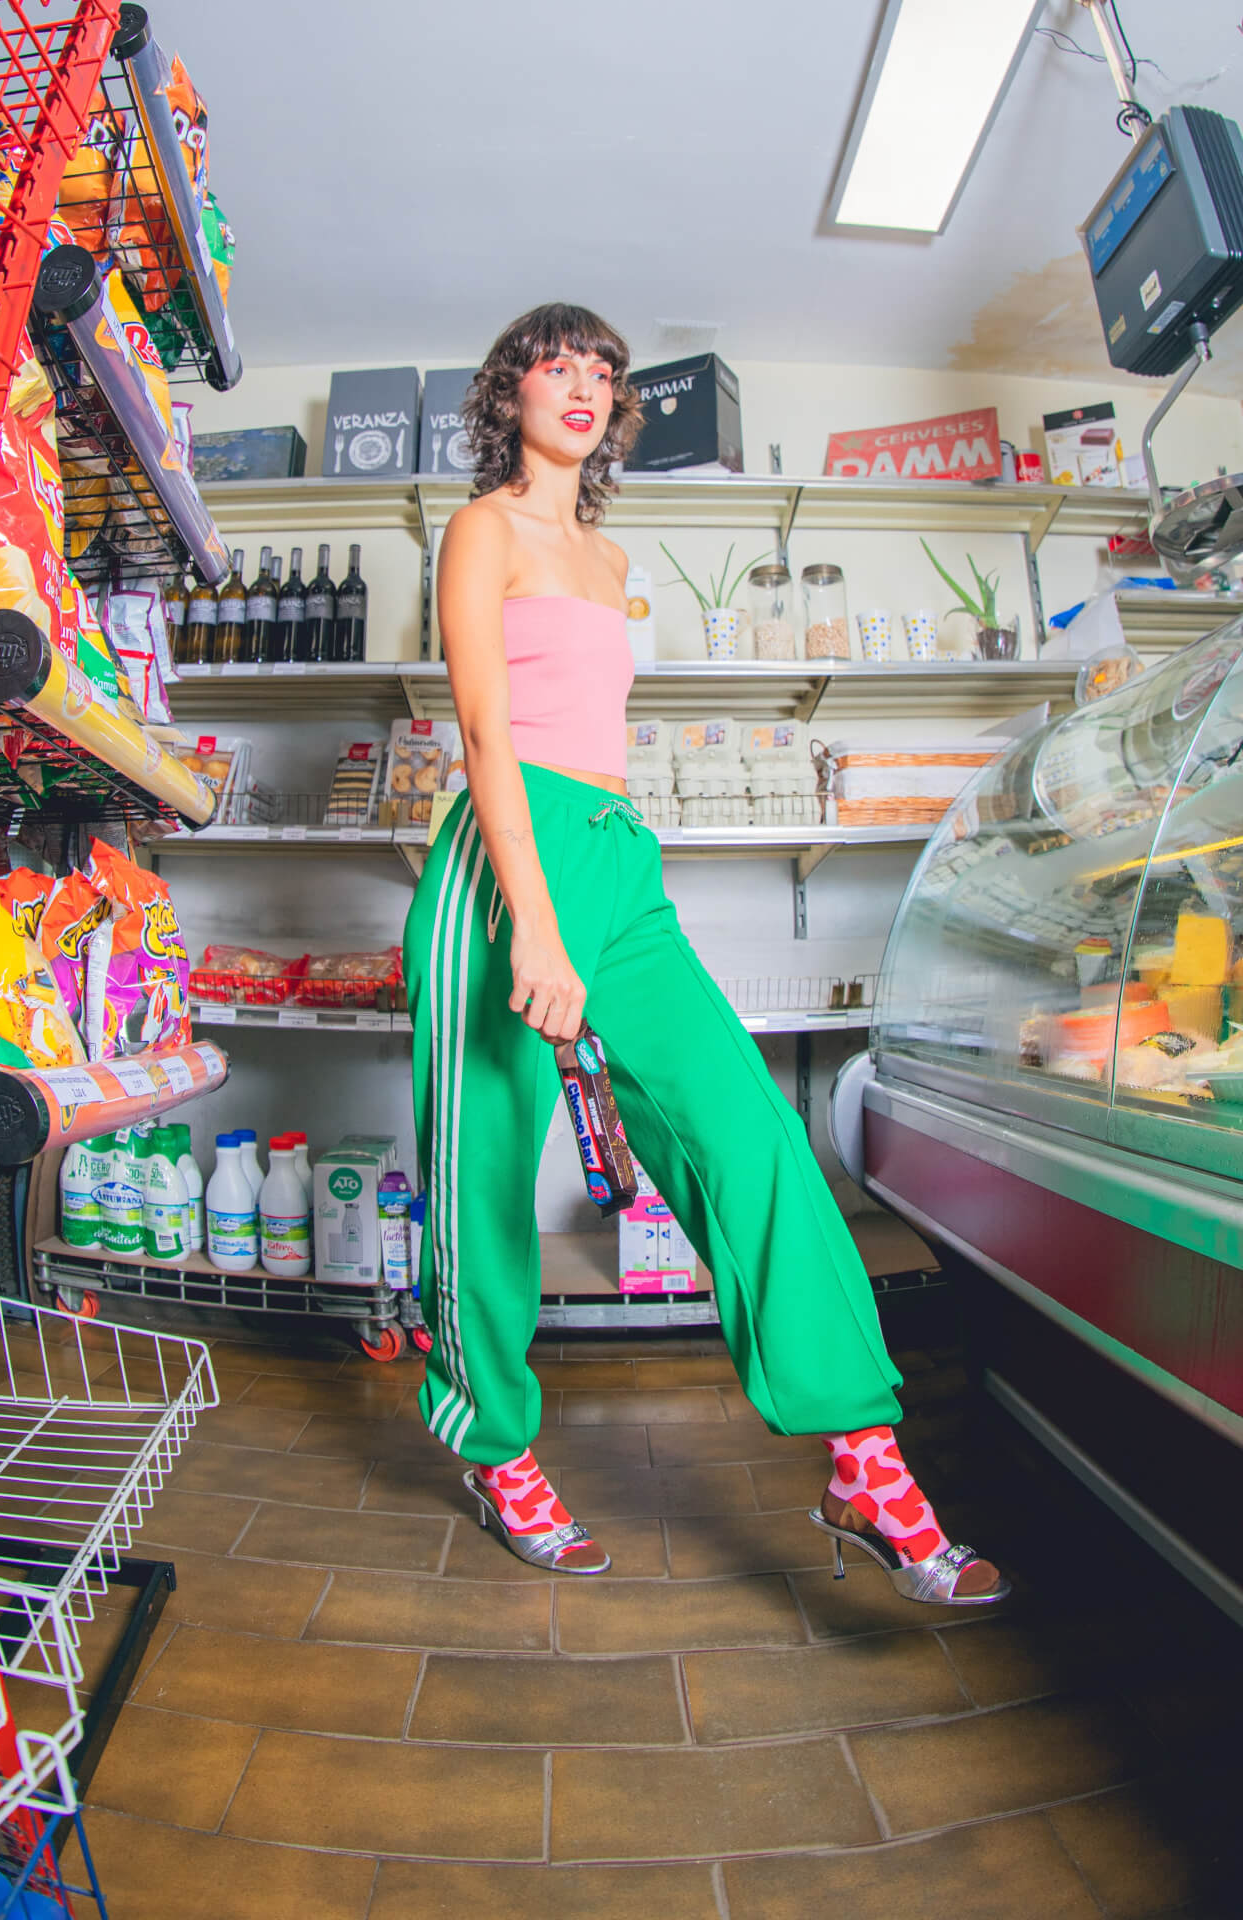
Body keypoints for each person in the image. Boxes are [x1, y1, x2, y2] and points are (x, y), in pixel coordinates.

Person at [402, 302, 1007, 1605]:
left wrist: (599, 892)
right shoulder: (481, 529)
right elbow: (488, 735)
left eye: (602, 369)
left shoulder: (611, 559)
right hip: (503, 868)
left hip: (616, 858)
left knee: (749, 1133)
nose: (582, 383)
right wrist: (536, 923)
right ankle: (495, 1451)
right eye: (555, 364)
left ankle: (861, 1456)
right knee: (483, 1172)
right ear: (511, 393)